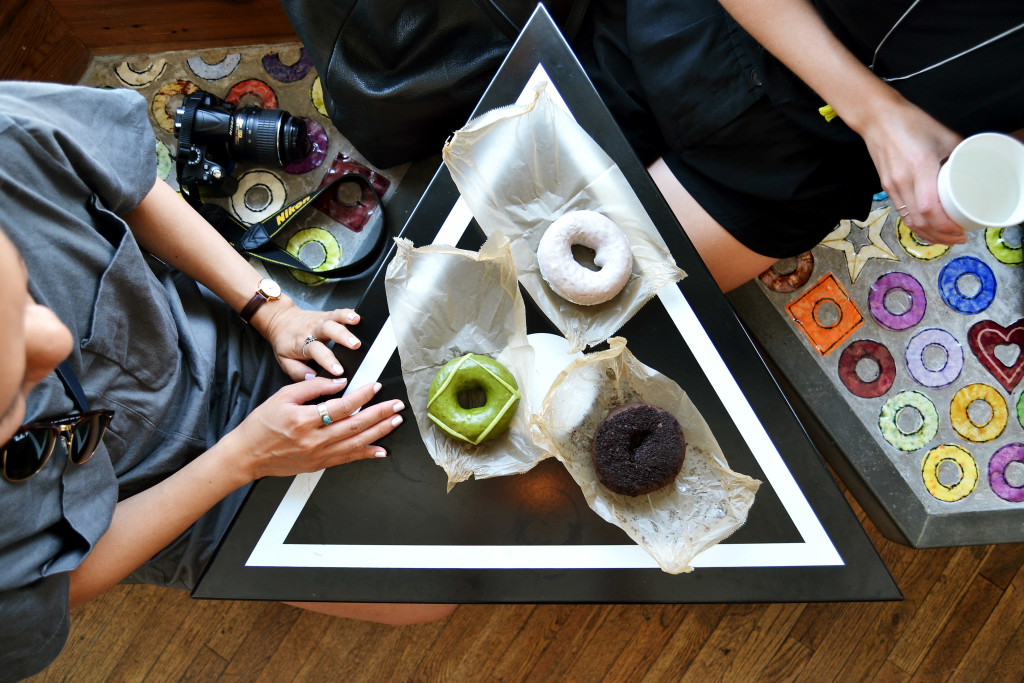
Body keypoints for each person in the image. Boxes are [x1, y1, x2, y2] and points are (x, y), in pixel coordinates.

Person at [0, 82, 453, 681]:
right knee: (427, 594)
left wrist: (269, 310)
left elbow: (128, 183)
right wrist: (242, 459)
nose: (57, 342)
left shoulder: (7, 135)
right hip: (149, 508)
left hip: (217, 344)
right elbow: (50, 592)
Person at [575, 0, 1024, 291]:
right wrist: (878, 114)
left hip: (805, 169)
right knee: (518, 225)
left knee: (591, 309)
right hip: (705, 32)